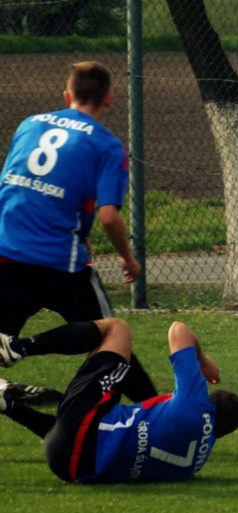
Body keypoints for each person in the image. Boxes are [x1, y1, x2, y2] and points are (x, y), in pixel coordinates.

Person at [0, 61, 156, 401]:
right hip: (59, 261)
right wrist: (129, 260)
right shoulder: (107, 145)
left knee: (2, 342)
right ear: (109, 100)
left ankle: (7, 393)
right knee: (110, 338)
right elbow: (110, 217)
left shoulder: (30, 124)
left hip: (6, 249)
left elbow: (17, 186)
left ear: (67, 94)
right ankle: (155, 412)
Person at [0, 319, 238, 484]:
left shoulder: (197, 407)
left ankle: (17, 348)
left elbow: (178, 330)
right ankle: (6, 403)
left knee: (116, 331)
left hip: (79, 432)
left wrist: (203, 361)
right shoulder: (196, 464)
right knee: (106, 427)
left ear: (210, 403)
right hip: (70, 467)